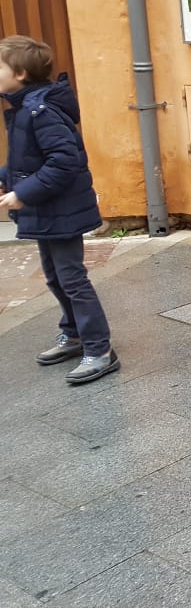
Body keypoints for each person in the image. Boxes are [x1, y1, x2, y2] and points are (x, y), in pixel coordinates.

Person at [0, 36, 119, 385]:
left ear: (20, 74)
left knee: (72, 278)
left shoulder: (42, 110)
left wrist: (23, 194)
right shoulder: (25, 107)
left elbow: (65, 162)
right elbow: (26, 160)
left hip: (62, 209)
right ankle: (75, 333)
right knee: (55, 276)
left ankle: (100, 349)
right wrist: (7, 179)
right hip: (47, 209)